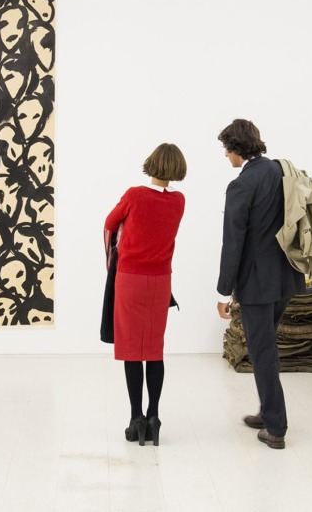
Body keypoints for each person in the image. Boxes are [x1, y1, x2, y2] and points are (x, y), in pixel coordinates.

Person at [216, 119, 305, 450]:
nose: (225, 156)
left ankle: (276, 427)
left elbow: (233, 242)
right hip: (286, 276)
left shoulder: (241, 185)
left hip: (257, 283)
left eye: (226, 149)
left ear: (236, 149)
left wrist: (223, 291)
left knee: (262, 350)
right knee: (266, 346)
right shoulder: (280, 171)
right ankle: (267, 411)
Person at [104, 143, 187, 446]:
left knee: (132, 351)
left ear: (151, 163)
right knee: (154, 351)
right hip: (161, 281)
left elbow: (109, 223)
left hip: (130, 280)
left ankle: (135, 418)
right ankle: (154, 417)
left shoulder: (134, 195)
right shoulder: (178, 200)